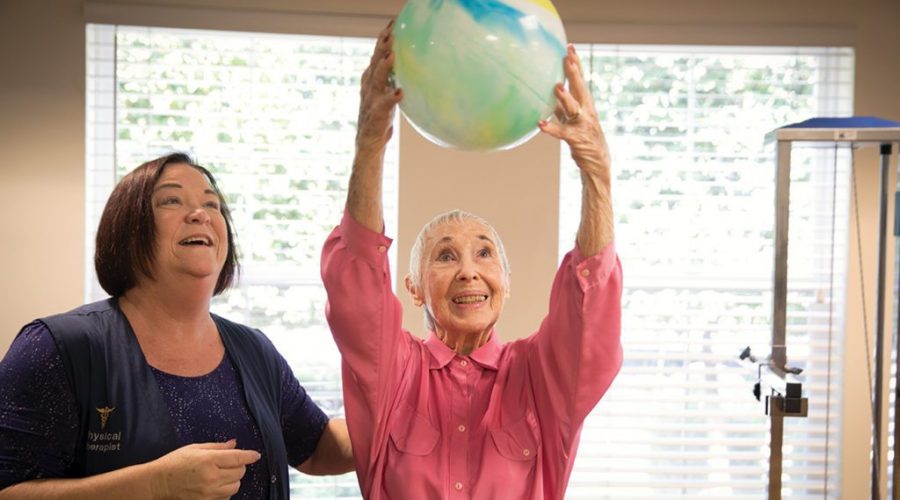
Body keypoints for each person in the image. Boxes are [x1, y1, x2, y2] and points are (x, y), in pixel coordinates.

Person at [320, 21, 623, 500]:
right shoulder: (395, 372)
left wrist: (597, 175)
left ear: (506, 280)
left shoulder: (538, 375)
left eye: (485, 252)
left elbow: (591, 315)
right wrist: (371, 144)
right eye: (445, 255)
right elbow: (356, 283)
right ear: (414, 286)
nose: (468, 269)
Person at [0, 153, 354, 499]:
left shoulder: (254, 350)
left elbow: (318, 447)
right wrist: (154, 486)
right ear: (127, 229)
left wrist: (403, 414)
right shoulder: (57, 348)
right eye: (170, 200)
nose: (200, 214)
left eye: (213, 205)